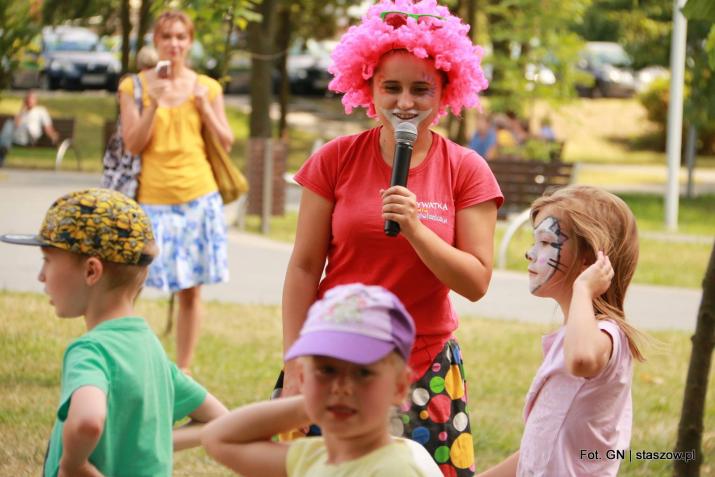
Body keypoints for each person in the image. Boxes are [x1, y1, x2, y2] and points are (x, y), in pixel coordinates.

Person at [280, 1, 502, 475]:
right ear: (368, 88)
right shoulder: (334, 159)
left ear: (446, 92)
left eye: (421, 89)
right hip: (332, 354)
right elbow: (303, 267)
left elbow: (477, 281)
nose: (405, 102)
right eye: (391, 87)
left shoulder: (466, 169)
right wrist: (296, 360)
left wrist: (416, 229)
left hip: (423, 364)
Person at [0, 188, 227, 477]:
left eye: (48, 260)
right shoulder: (150, 349)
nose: (41, 275)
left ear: (92, 271)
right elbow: (216, 419)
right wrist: (143, 445)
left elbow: (88, 421)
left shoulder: (90, 351)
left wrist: (74, 465)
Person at [477, 185, 645, 477]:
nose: (529, 254)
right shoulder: (570, 336)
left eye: (545, 242)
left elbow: (581, 360)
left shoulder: (606, 335)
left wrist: (583, 288)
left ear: (588, 260)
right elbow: (539, 448)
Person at [203, 283, 442, 477]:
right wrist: (313, 400)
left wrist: (319, 396)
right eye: (326, 370)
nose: (341, 388)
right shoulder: (311, 457)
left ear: (399, 387)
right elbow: (218, 438)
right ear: (303, 377)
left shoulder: (393, 470)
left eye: (363, 373)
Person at [118, 10, 234, 373]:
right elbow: (132, 145)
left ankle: (182, 370)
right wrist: (155, 101)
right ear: (156, 41)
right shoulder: (133, 87)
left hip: (198, 196)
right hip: (153, 200)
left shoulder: (208, 87)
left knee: (191, 291)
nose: (174, 43)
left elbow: (226, 141)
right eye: (167, 36)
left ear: (190, 41)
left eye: (181, 37)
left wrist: (203, 105)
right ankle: (127, 358)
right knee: (129, 285)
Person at [0, 90, 59, 167]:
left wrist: (52, 135)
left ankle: (2, 150)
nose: (29, 101)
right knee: (9, 124)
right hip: (19, 137)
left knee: (26, 126)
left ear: (36, 100)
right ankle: (2, 152)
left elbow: (47, 127)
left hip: (32, 137)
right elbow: (16, 125)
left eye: (31, 98)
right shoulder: (22, 112)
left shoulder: (41, 110)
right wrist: (21, 110)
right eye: (27, 99)